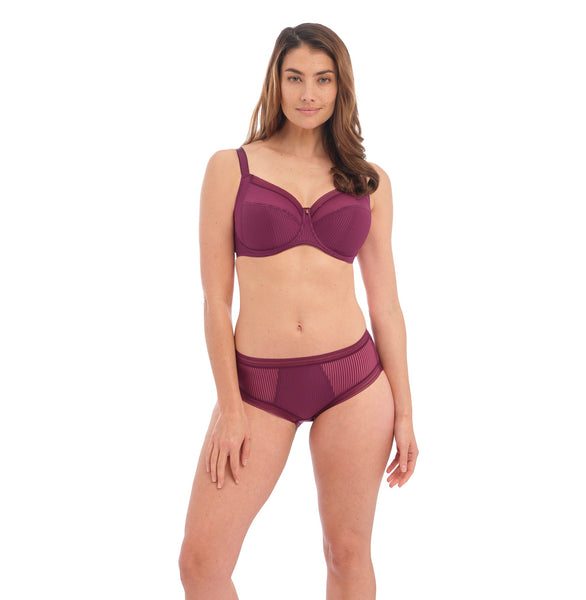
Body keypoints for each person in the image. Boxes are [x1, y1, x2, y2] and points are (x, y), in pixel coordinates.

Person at [178, 22, 418, 600]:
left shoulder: (369, 182)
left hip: (354, 381)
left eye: (323, 79)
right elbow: (216, 300)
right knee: (201, 563)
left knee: (348, 554)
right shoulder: (230, 168)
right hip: (257, 385)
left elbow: (386, 304)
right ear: (276, 82)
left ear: (340, 87)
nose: (308, 93)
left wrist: (406, 413)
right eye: (295, 78)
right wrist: (229, 407)